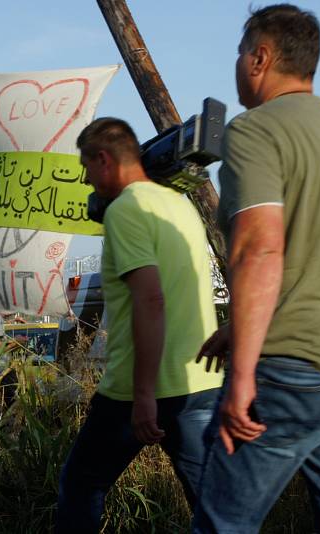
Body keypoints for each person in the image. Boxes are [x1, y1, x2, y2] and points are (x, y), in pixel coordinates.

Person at [192, 5, 320, 533]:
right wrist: (241, 327)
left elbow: (260, 249)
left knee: (224, 524)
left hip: (293, 373)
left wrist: (241, 376)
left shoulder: (254, 131)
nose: (236, 64)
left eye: (241, 52)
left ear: (260, 58)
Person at [56, 117, 223, 533]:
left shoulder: (127, 210)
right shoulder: (179, 203)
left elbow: (151, 299)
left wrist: (144, 394)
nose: (88, 179)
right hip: (199, 380)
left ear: (104, 159)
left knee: (81, 483)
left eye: (86, 167)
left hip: (140, 388)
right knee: (214, 508)